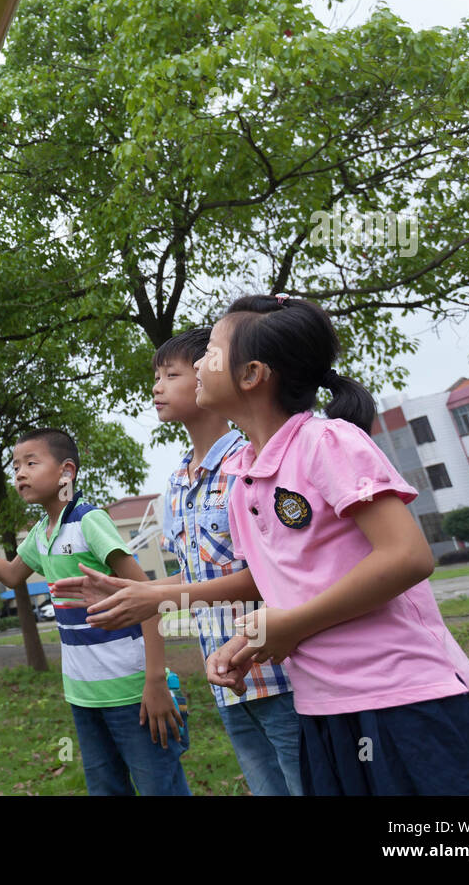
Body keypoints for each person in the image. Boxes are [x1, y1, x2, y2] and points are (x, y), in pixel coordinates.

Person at [194, 294, 469, 795]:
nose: (196, 363)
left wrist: (291, 624)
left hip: (405, 698)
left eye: (211, 351)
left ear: (253, 374)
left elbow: (407, 556)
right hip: (323, 707)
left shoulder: (327, 443)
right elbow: (288, 588)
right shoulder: (243, 482)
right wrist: (250, 642)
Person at [0, 428, 191, 796]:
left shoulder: (89, 521)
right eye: (15, 466)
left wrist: (154, 681)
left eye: (30, 462)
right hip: (82, 695)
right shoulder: (41, 533)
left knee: (159, 787)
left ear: (66, 472)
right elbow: (11, 576)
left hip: (132, 693)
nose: (19, 473)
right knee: (105, 788)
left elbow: (148, 598)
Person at [145, 328, 303, 794]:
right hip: (225, 679)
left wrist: (162, 595)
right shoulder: (176, 481)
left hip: (278, 672)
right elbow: (193, 571)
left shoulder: (247, 462)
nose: (156, 387)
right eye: (155, 376)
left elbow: (270, 573)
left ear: (207, 375)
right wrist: (141, 593)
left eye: (170, 375)